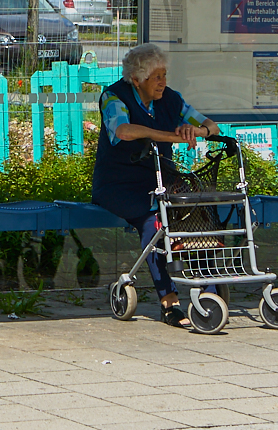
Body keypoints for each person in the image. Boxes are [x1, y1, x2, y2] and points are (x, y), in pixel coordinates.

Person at [91, 43, 220, 327]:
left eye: (164, 75)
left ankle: (209, 292)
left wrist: (195, 130)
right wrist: (168, 136)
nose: (162, 82)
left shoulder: (171, 99)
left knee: (199, 215)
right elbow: (123, 131)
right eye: (156, 77)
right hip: (120, 184)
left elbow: (211, 127)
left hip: (164, 180)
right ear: (137, 80)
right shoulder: (114, 97)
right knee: (154, 224)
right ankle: (169, 303)